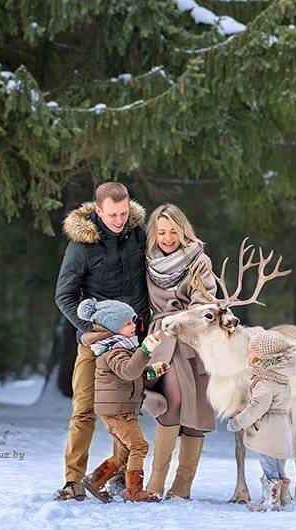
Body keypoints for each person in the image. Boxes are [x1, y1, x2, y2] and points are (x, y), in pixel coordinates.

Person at [54, 182, 149, 501]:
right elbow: (64, 295)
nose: (119, 219)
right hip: (94, 344)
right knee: (83, 408)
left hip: (132, 340)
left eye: (124, 213)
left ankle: (121, 475)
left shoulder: (138, 234)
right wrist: (93, 329)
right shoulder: (81, 246)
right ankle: (73, 481)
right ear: (97, 210)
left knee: (125, 410)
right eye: (112, 214)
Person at [142, 203, 218, 499]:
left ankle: (183, 484)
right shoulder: (147, 262)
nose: (168, 237)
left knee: (196, 409)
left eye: (173, 230)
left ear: (183, 230)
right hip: (162, 339)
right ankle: (156, 481)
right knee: (172, 401)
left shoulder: (199, 260)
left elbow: (206, 299)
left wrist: (193, 313)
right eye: (161, 231)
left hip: (192, 338)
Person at [77, 298, 166, 503]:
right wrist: (145, 350)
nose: (134, 326)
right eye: (127, 323)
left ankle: (95, 480)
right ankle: (134, 491)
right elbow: (128, 371)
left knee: (125, 451)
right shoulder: (113, 351)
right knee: (139, 447)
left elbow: (131, 373)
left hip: (118, 409)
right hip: (118, 412)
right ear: (113, 327)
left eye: (133, 321)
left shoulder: (118, 348)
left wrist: (151, 371)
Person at [225, 330, 296, 512]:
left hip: (268, 431)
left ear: (262, 357)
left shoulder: (265, 382)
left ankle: (270, 501)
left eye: (251, 351)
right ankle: (283, 497)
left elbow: (257, 408)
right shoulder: (280, 377)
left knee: (269, 466)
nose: (248, 353)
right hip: (280, 427)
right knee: (277, 464)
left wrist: (238, 422)